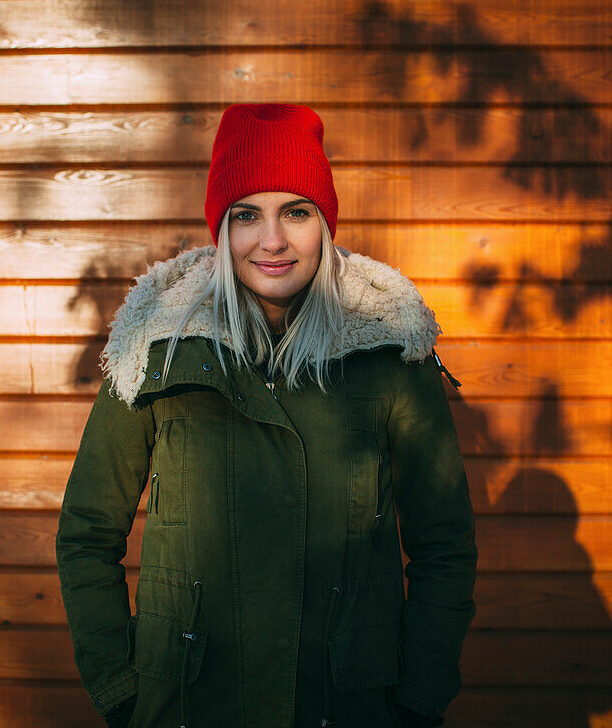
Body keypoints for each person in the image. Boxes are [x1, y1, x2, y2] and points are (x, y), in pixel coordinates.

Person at [56, 103, 476, 728]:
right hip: (188, 706)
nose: (272, 240)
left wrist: (418, 698)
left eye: (296, 212)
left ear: (324, 224)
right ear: (222, 230)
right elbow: (88, 532)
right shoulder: (158, 348)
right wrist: (121, 689)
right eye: (247, 214)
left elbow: (443, 546)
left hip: (348, 705)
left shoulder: (389, 353)